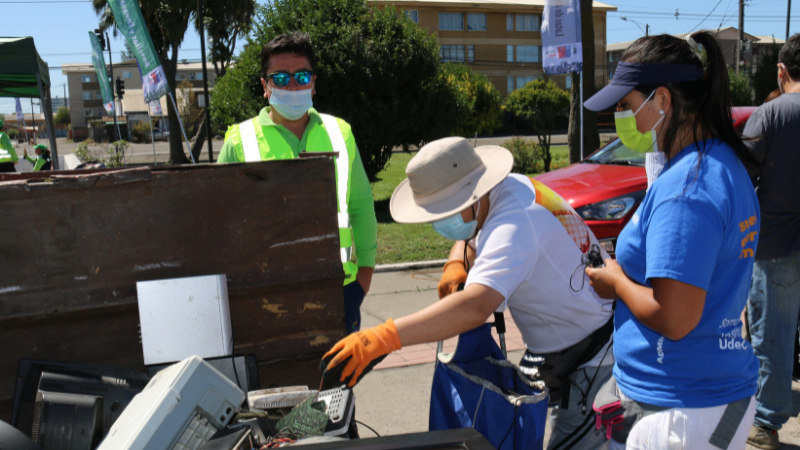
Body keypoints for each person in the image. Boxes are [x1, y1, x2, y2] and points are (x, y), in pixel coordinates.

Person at [321, 136, 617, 450]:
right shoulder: (507, 190)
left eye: (445, 212)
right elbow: (472, 233)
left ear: (471, 196)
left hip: (590, 359)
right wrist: (455, 263)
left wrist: (386, 337)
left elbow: (476, 305)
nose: (440, 223)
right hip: (562, 348)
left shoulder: (514, 224)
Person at [582, 31, 761, 450]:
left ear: (662, 100)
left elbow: (675, 317)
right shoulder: (718, 164)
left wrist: (616, 283)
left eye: (626, 106)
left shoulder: (688, 186)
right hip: (700, 397)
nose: (620, 120)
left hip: (680, 409)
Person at [217, 32, 377, 335]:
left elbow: (361, 205)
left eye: (302, 76)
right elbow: (221, 226)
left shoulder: (340, 132)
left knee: (338, 381)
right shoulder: (239, 142)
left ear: (313, 83)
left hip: (338, 290)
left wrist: (364, 276)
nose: (292, 85)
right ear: (265, 87)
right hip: (267, 295)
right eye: (281, 77)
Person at [741, 33, 800, 450]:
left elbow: (740, 181)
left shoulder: (771, 114)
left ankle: (765, 426)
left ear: (781, 72)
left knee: (773, 340)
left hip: (776, 247)